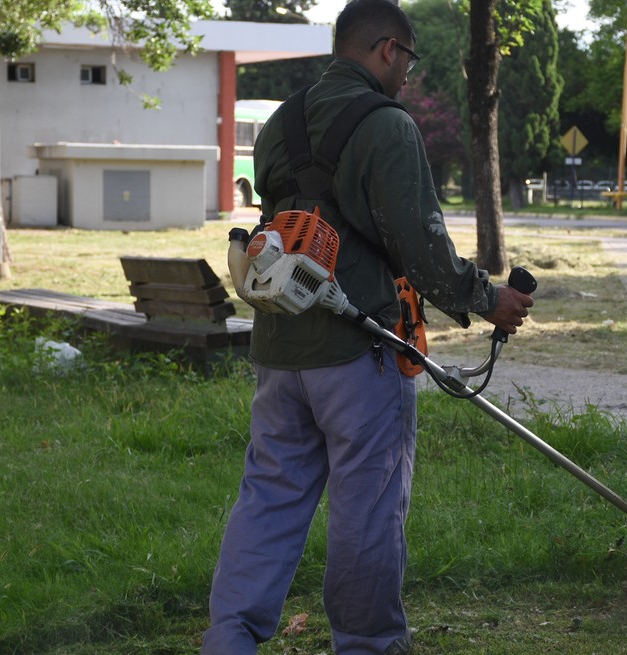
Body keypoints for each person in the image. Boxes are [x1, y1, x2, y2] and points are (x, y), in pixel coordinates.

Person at [202, 1, 533, 653]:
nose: (408, 75)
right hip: (360, 349)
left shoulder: (279, 123)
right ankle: (367, 644)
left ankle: (229, 636)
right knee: (366, 508)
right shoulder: (387, 126)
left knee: (269, 494)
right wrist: (488, 299)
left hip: (280, 344)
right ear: (387, 49)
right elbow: (421, 244)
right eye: (407, 60)